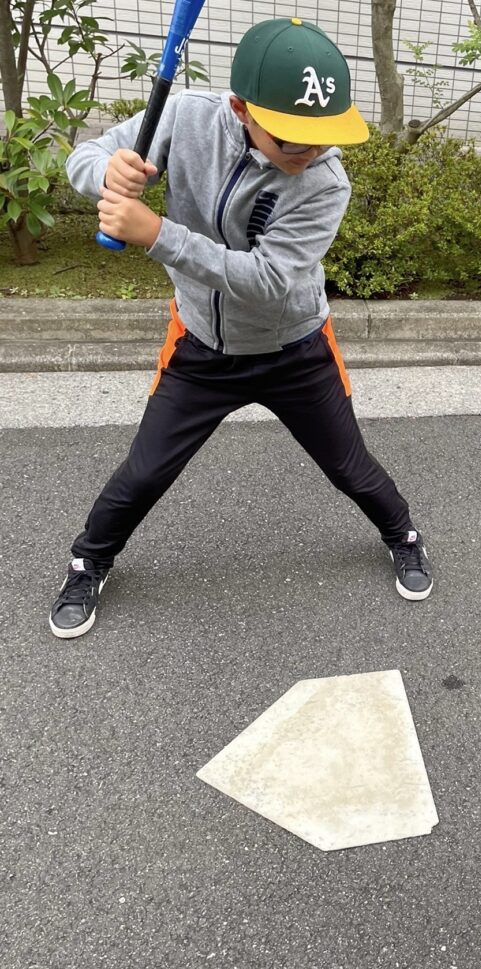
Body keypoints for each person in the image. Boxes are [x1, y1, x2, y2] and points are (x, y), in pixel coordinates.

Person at [49, 17, 433, 639]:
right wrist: (105, 175)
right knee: (145, 470)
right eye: (292, 141)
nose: (309, 153)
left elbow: (265, 280)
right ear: (240, 109)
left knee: (349, 466)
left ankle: (404, 535)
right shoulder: (188, 116)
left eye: (321, 138)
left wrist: (157, 235)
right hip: (201, 344)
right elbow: (87, 157)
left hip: (294, 348)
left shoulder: (325, 182)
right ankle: (88, 561)